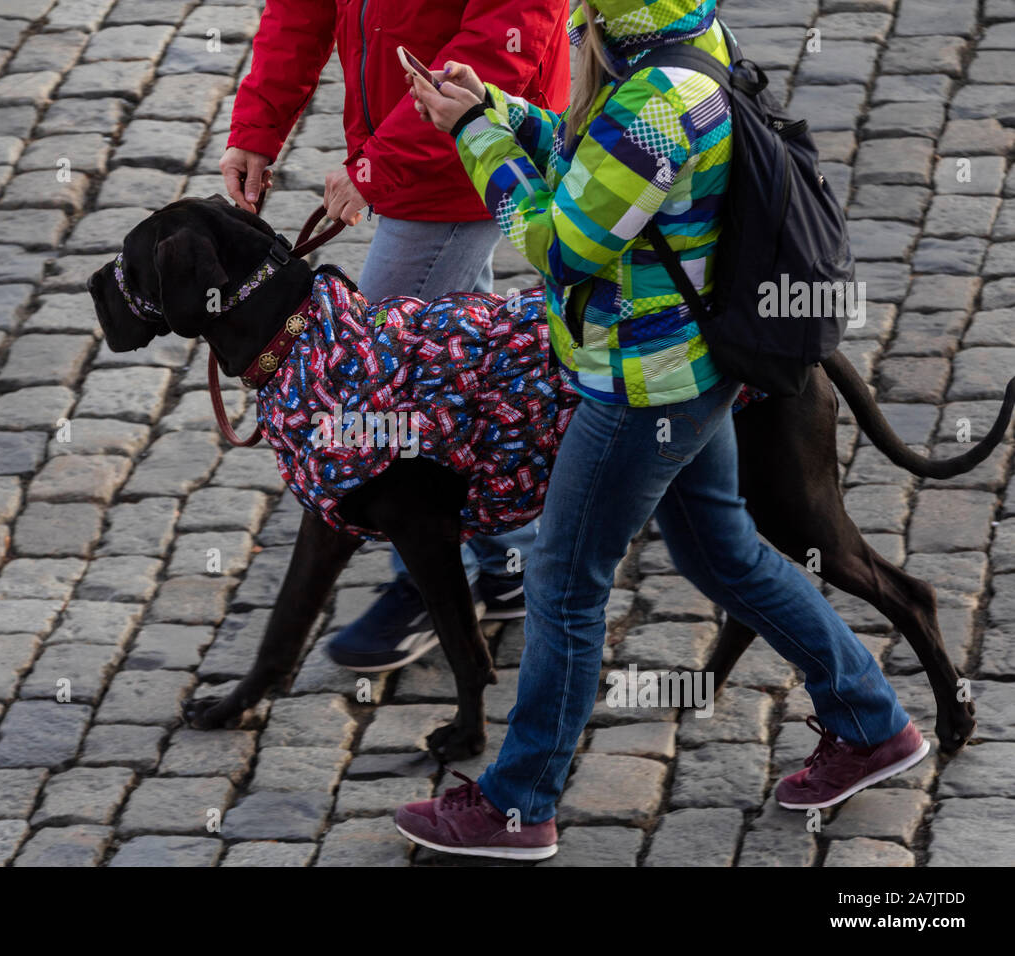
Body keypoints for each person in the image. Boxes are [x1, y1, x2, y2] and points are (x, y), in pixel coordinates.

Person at [395, 0, 927, 861]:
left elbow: (557, 243)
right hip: (693, 367)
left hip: (642, 389)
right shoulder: (686, 44)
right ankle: (872, 723)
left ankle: (519, 805)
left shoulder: (652, 105)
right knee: (725, 555)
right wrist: (496, 108)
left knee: (564, 586)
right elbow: (590, 168)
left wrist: (475, 142)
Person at [220, 0, 571, 673]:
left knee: (374, 398)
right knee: (461, 369)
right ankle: (506, 560)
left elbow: (504, 44)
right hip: (417, 156)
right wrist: (257, 127)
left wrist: (380, 163)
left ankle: (433, 577)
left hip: (463, 160)